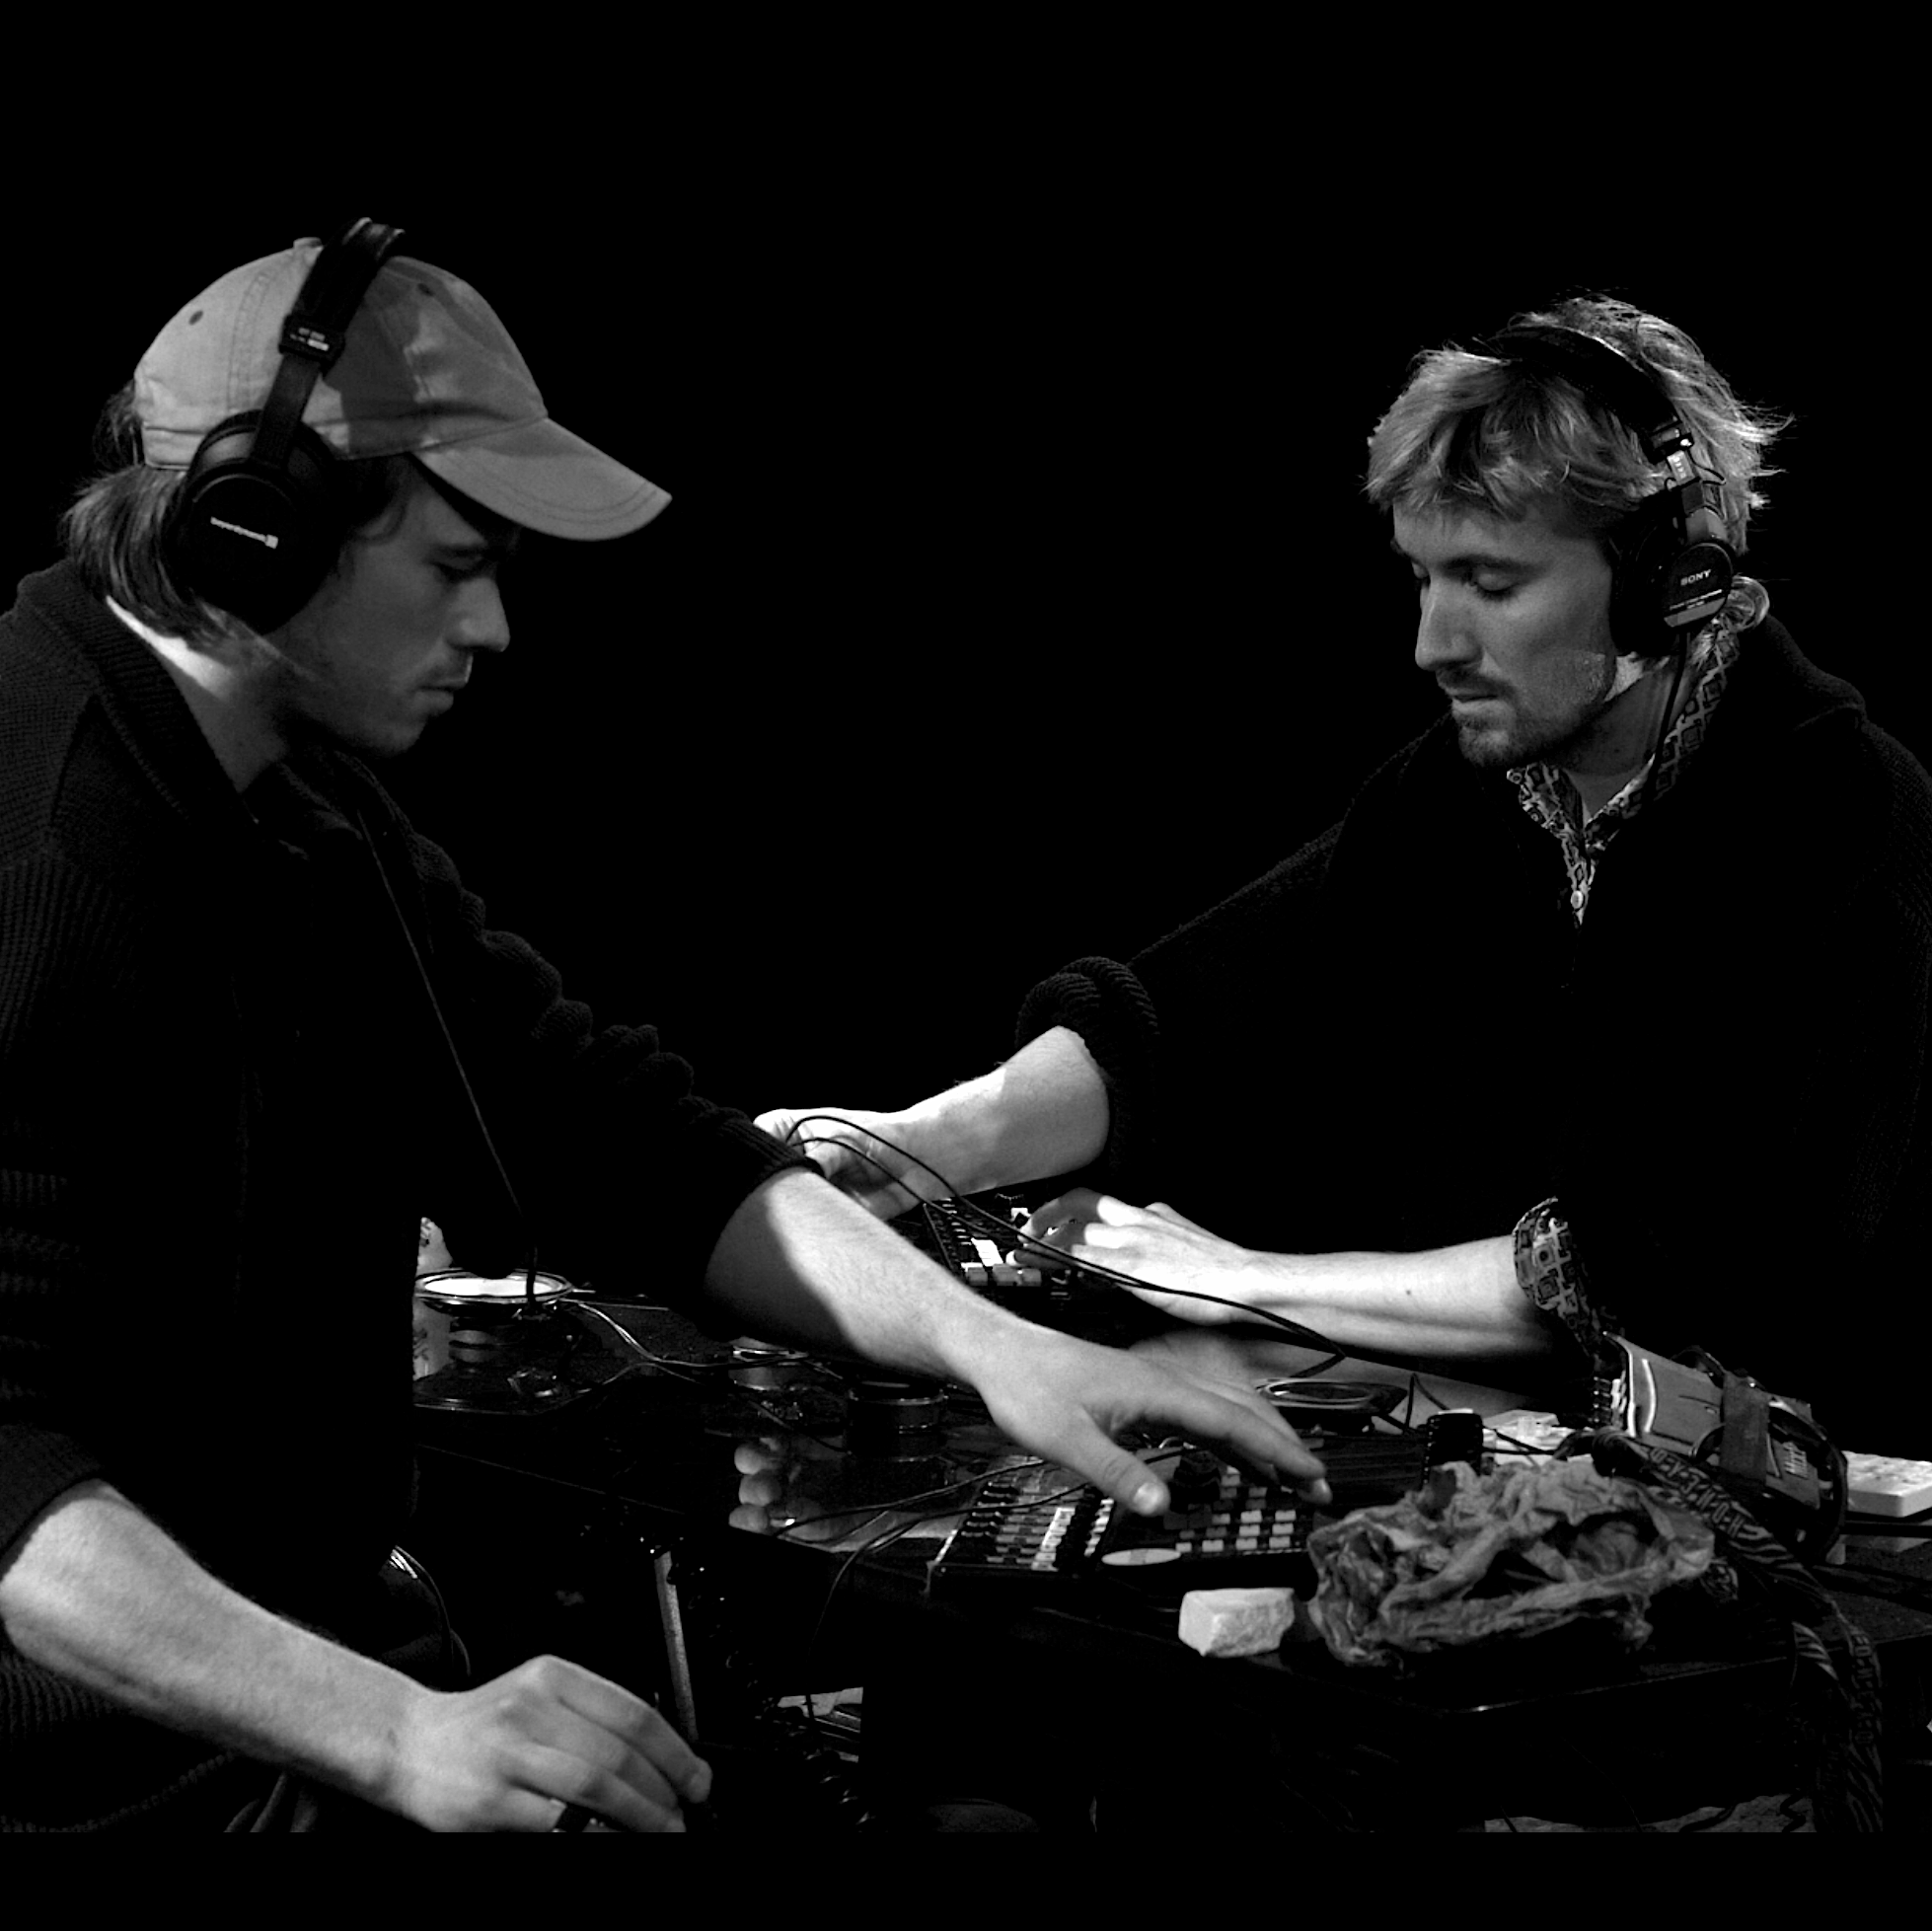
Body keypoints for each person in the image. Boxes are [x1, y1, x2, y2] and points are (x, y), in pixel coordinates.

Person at [0, 220, 1327, 1835]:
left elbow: (612, 1131)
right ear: (256, 532)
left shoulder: (291, 797)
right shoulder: (46, 851)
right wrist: (393, 1733)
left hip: (302, 1685)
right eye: (457, 564)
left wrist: (996, 1346)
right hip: (119, 1774)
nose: (494, 628)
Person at [759, 295, 1932, 1464]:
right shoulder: (1471, 788)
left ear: (1666, 581)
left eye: (1488, 582)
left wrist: (1241, 1281)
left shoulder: (1831, 813)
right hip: (1518, 1438)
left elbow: (1666, 1255)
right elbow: (1190, 1016)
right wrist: (928, 1142)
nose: (1433, 644)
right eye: (1422, 577)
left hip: (1800, 1489)